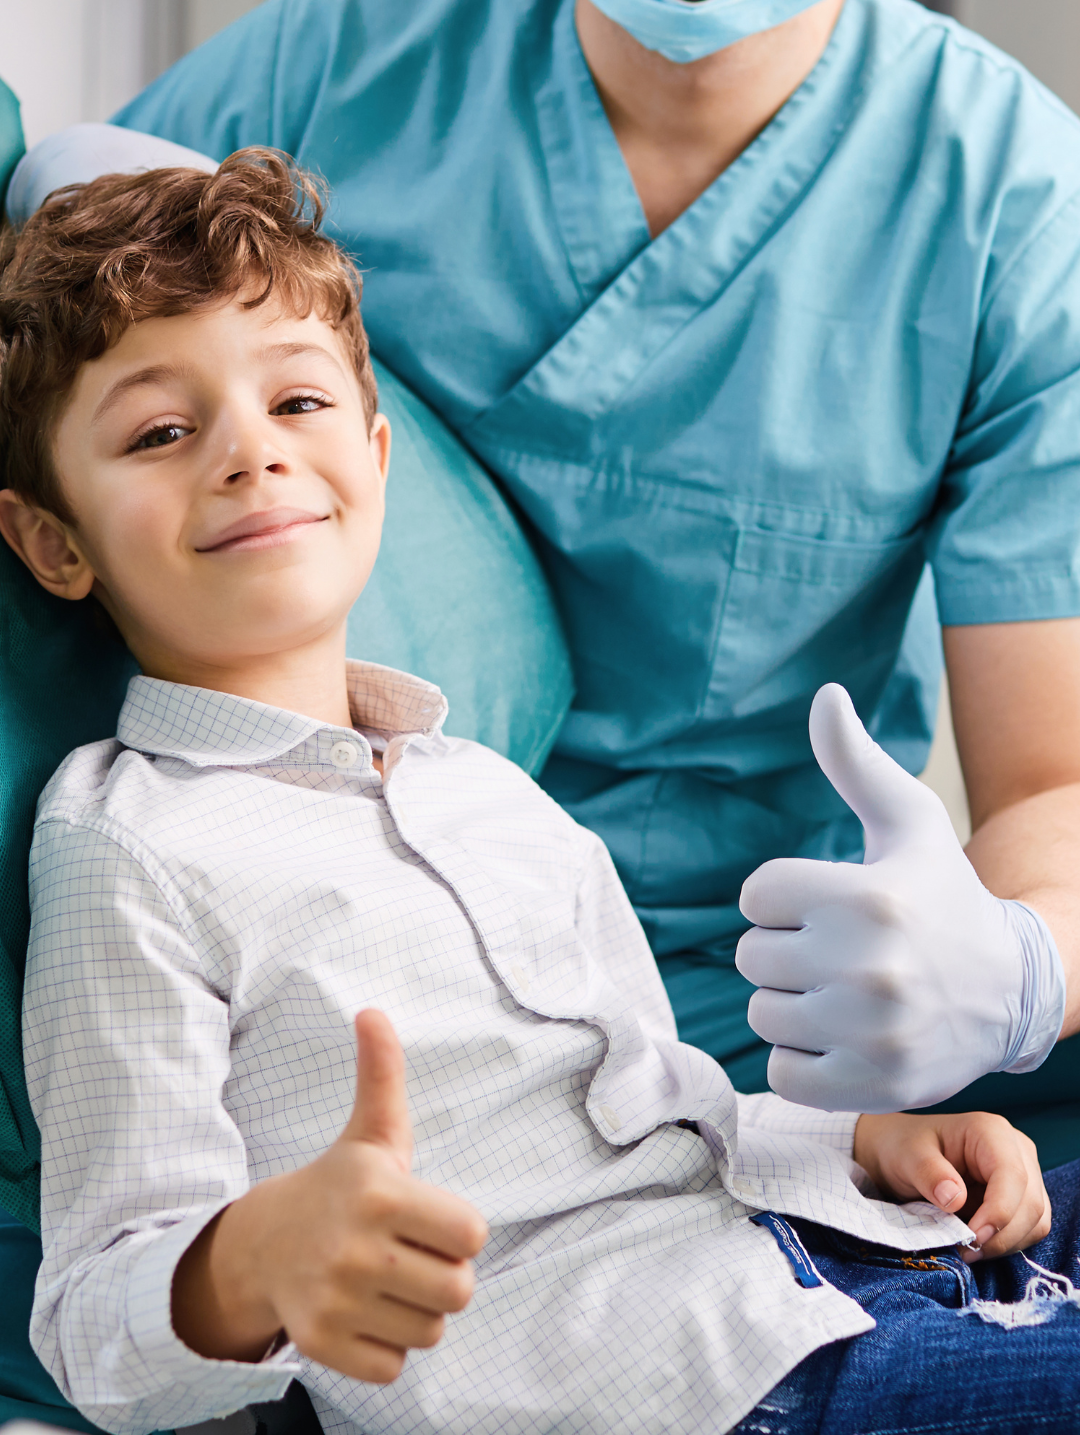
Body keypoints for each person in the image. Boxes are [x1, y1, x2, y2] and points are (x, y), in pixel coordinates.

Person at [26, 0, 1080, 1131]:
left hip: (772, 1019)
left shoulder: (1008, 193)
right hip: (350, 998)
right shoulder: (322, 78)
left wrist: (1004, 966)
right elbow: (65, 396)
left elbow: (1054, 785)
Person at [6, 150, 1080, 1435]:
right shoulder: (127, 844)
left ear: (377, 454)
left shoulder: (491, 793)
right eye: (162, 431)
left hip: (823, 1263)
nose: (250, 454)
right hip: (690, 1383)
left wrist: (860, 1146)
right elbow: (92, 1319)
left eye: (297, 402)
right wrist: (254, 1260)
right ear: (53, 542)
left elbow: (659, 1115)